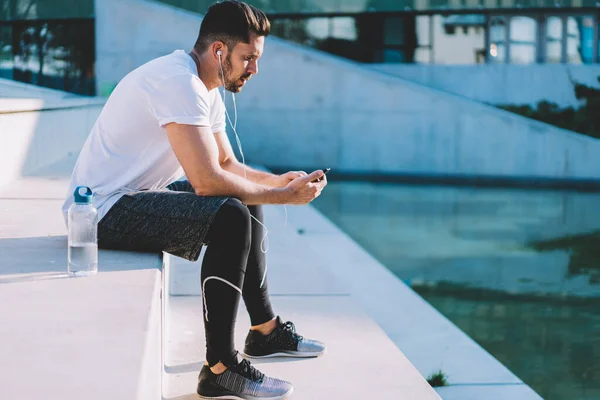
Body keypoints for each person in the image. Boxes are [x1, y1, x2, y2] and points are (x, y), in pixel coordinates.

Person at [61, 1, 327, 398]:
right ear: (220, 51)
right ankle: (220, 367)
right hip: (100, 212)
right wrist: (282, 197)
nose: (254, 69)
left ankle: (265, 331)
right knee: (231, 215)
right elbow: (205, 181)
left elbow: (226, 165)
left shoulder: (204, 85)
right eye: (248, 58)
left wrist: (276, 181)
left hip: (137, 196)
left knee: (244, 199)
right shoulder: (177, 83)